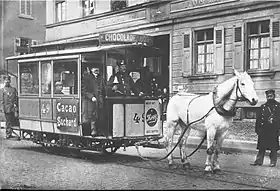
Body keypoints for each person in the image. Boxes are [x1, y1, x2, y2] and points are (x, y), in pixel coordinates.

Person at [250, 89, 280, 167]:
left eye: (271, 96)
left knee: (273, 147)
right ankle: (258, 161)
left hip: (273, 130)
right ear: (266, 97)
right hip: (264, 130)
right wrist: (257, 129)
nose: (269, 98)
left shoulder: (278, 106)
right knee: (261, 147)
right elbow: (258, 119)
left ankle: (273, 162)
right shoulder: (263, 106)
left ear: (274, 96)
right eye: (268, 96)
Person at [82, 64, 106, 136]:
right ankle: (93, 130)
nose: (96, 70)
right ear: (91, 69)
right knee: (92, 116)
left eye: (97, 68)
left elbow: (104, 89)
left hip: (100, 100)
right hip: (90, 101)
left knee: (101, 116)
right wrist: (91, 97)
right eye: (94, 68)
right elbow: (84, 90)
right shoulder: (87, 78)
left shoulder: (101, 78)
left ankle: (100, 131)